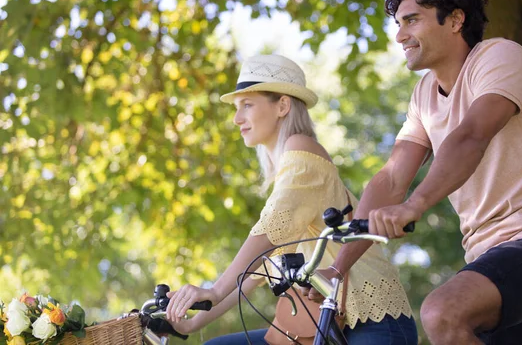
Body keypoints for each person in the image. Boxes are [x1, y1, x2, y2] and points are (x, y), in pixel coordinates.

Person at [326, 0, 522, 345]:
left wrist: (414, 207)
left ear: (455, 20)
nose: (400, 36)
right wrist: (338, 268)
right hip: (487, 259)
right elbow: (392, 177)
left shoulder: (499, 57)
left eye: (412, 21)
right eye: (398, 24)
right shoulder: (423, 96)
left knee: (441, 312)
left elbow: (471, 136)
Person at [164, 54, 417, 344]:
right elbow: (254, 274)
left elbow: (272, 225)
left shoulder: (303, 152)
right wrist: (190, 323)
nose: (237, 119)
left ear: (282, 105)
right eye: (236, 108)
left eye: (247, 105)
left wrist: (215, 290)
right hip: (327, 324)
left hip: (373, 320)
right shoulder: (289, 169)